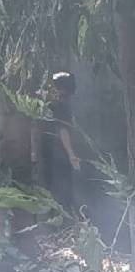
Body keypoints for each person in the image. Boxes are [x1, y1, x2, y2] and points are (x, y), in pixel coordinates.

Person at [39, 71, 81, 210]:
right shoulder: (58, 105)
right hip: (56, 154)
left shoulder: (48, 103)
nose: (66, 98)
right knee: (60, 191)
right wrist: (71, 155)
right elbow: (63, 130)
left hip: (50, 153)